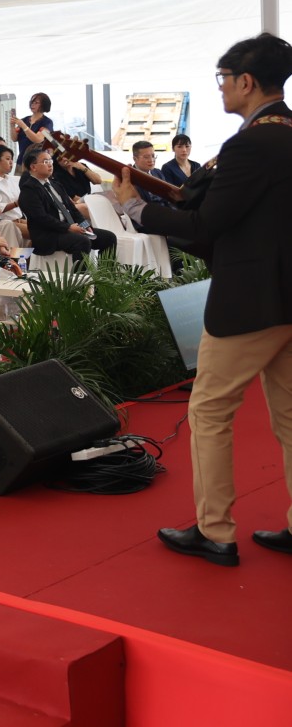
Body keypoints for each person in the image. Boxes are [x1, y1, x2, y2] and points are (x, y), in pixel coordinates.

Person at [110, 33, 292, 566]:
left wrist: (135, 208)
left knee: (210, 411)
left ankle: (216, 531)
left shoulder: (249, 144)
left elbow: (207, 223)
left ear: (246, 81)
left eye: (223, 78)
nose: (221, 88)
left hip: (250, 301)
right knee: (290, 417)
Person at [17, 146, 116, 259]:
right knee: (82, 241)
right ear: (33, 167)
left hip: (69, 228)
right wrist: (68, 227)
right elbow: (41, 218)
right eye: (45, 162)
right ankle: (80, 271)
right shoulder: (29, 189)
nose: (50, 164)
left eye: (50, 161)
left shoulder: (55, 184)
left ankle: (105, 270)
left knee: (109, 238)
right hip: (48, 235)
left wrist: (85, 225)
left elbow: (72, 209)